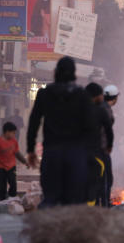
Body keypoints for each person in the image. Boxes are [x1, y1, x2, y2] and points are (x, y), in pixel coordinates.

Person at [26, 57, 98, 207]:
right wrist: (91, 154)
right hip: (76, 155)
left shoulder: (44, 95)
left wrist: (30, 150)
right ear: (74, 74)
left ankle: (49, 228)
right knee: (75, 201)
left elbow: (34, 122)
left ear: (55, 72)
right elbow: (91, 128)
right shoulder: (82, 96)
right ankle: (70, 229)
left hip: (52, 154)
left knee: (51, 199)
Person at [85, 83, 115, 206]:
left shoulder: (80, 108)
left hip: (84, 152)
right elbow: (109, 130)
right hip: (98, 152)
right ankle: (103, 205)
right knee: (103, 180)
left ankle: (94, 205)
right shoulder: (102, 110)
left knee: (92, 181)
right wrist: (109, 146)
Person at [0, 122, 28, 201]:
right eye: (13, 133)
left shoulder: (14, 141)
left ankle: (13, 202)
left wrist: (25, 162)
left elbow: (17, 153)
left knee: (13, 185)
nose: (14, 135)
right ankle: (3, 202)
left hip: (11, 167)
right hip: (0, 168)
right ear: (7, 132)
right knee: (1, 188)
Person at [103, 85, 119, 201]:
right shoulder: (106, 110)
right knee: (107, 179)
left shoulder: (101, 108)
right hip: (102, 151)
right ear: (114, 98)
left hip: (98, 149)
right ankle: (104, 205)